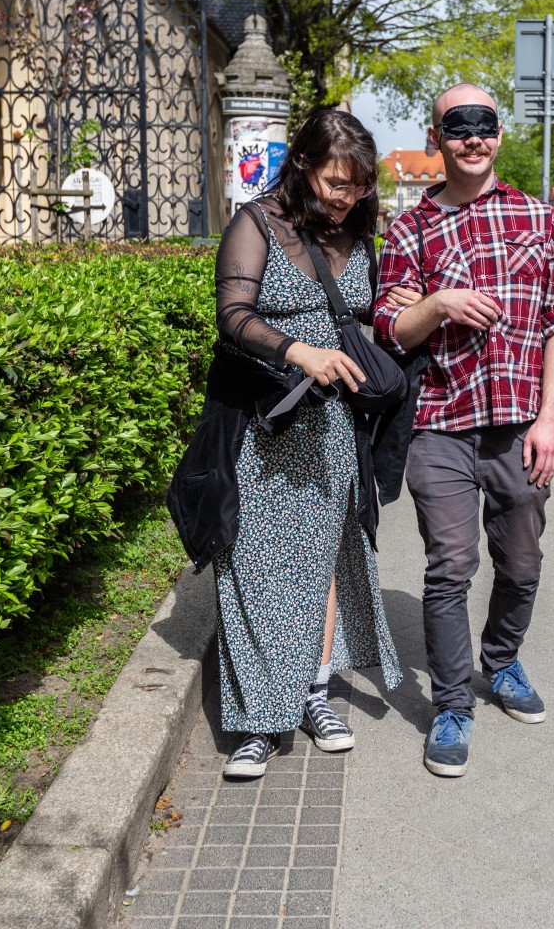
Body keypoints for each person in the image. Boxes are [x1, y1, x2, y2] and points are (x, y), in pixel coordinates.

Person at [373, 83, 554, 778]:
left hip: (520, 426)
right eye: (457, 126)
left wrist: (550, 420)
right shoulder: (410, 230)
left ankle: (502, 659)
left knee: (521, 563)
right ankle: (451, 705)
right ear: (435, 137)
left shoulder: (539, 219)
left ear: (499, 132)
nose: (473, 138)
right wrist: (438, 302)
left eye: (484, 124)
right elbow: (391, 328)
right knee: (450, 567)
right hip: (438, 425)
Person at [207, 108, 412, 779]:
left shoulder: (359, 231)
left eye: (358, 185)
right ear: (302, 165)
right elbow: (232, 316)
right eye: (334, 182)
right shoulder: (257, 223)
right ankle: (259, 720)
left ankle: (314, 694)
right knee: (253, 566)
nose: (346, 196)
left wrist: (406, 304)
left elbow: (373, 314)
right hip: (266, 423)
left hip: (333, 430)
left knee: (321, 563)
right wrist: (298, 350)